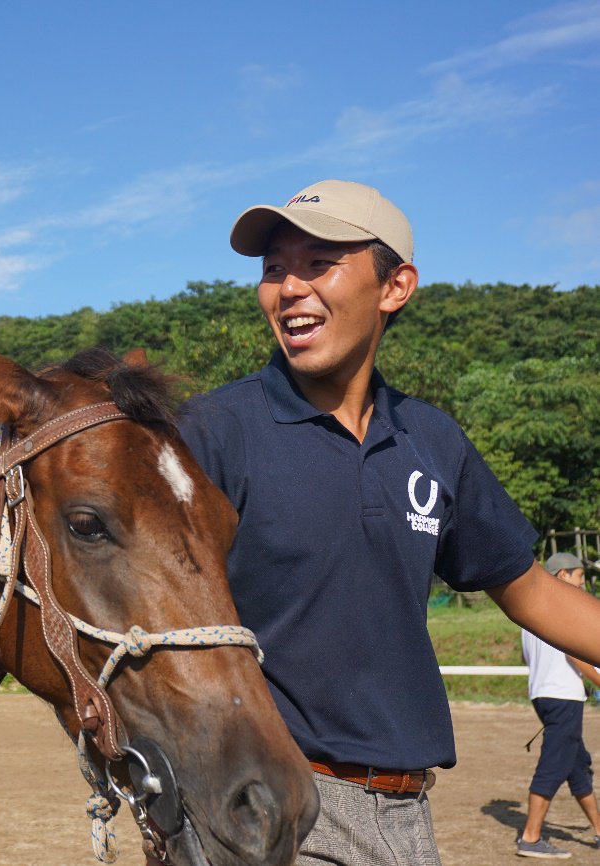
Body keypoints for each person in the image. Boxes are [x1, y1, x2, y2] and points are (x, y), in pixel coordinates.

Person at [176, 179, 600, 866]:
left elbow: (532, 591)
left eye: (318, 263)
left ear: (394, 286)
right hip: (267, 806)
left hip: (405, 814)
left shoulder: (430, 439)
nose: (287, 288)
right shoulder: (210, 431)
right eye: (273, 267)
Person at [516, 551, 600, 859]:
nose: (582, 583)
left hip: (542, 693)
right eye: (579, 576)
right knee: (554, 764)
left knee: (577, 766)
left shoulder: (530, 608)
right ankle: (530, 837)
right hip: (564, 695)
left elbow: (526, 656)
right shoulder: (565, 604)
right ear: (562, 575)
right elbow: (575, 654)